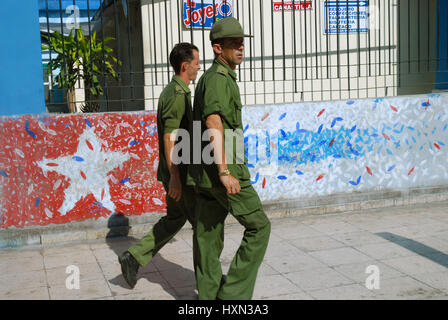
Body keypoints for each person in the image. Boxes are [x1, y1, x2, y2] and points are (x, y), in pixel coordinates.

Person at [188, 17, 271, 300]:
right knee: (259, 226)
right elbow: (213, 123)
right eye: (234, 43)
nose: (241, 47)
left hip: (207, 173)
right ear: (217, 48)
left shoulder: (214, 78)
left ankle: (209, 295)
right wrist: (224, 171)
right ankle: (232, 296)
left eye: (242, 42)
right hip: (226, 170)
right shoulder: (218, 80)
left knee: (208, 235)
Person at [118, 43, 201, 289]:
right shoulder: (176, 96)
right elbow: (170, 137)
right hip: (179, 174)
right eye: (196, 63)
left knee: (175, 219)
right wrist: (175, 177)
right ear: (185, 66)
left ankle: (133, 257)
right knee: (203, 225)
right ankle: (210, 283)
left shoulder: (178, 91)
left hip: (175, 172)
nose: (199, 67)